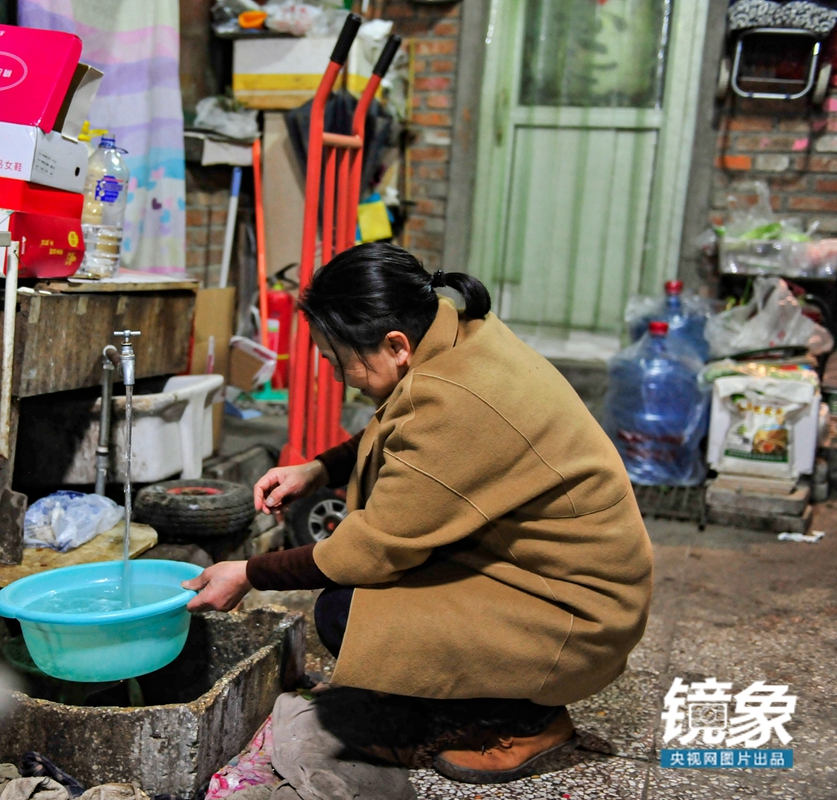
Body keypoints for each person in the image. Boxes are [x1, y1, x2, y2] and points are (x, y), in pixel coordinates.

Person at [184, 242, 652, 793]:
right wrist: (317, 468)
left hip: (580, 613)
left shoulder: (457, 395)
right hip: (543, 572)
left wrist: (247, 572)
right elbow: (405, 431)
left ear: (396, 345)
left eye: (339, 363)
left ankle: (526, 723)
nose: (341, 379)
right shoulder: (458, 336)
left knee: (347, 609)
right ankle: (458, 706)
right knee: (372, 602)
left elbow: (370, 548)